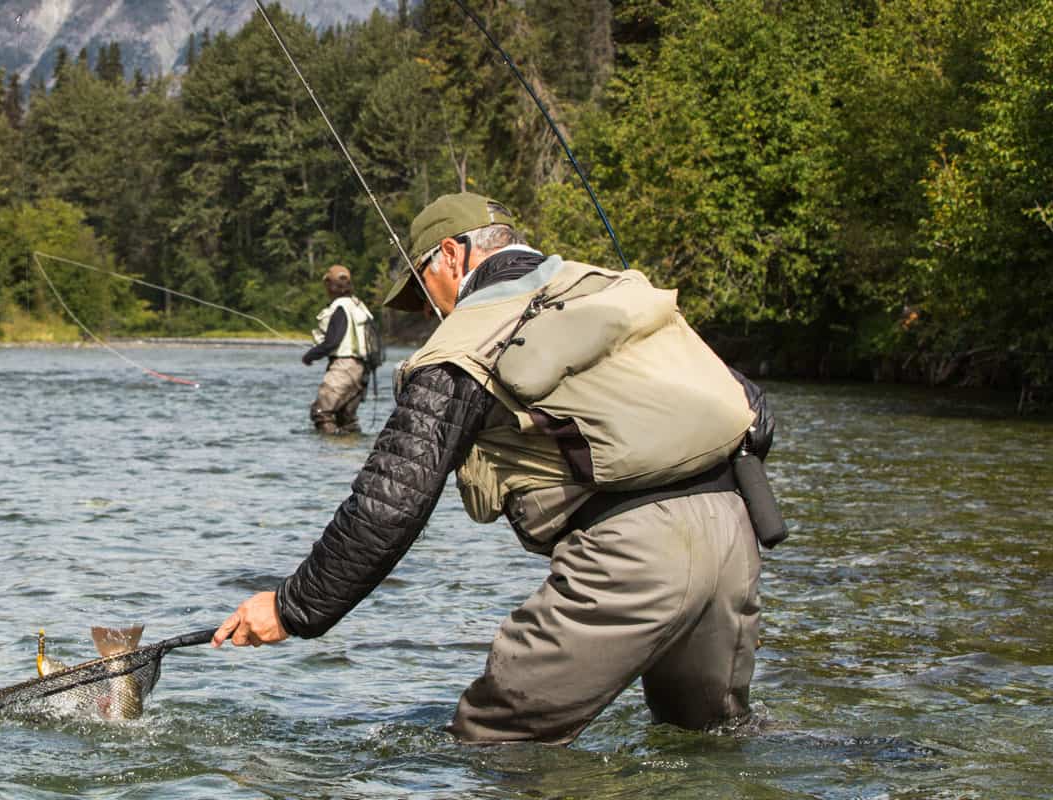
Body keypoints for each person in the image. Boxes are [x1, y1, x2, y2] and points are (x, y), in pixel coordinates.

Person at [212, 192, 775, 744]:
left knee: (493, 744)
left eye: (423, 285)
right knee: (710, 744)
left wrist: (292, 606)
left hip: (633, 558)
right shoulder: (613, 290)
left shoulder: (463, 344)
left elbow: (389, 506)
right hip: (734, 534)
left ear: (451, 257)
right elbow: (750, 407)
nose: (432, 308)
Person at [301, 264, 374, 434]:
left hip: (344, 367)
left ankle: (327, 456)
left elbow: (333, 341)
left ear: (331, 285)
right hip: (363, 369)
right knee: (345, 418)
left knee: (321, 412)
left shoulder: (340, 307)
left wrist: (310, 356)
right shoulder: (359, 305)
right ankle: (348, 453)